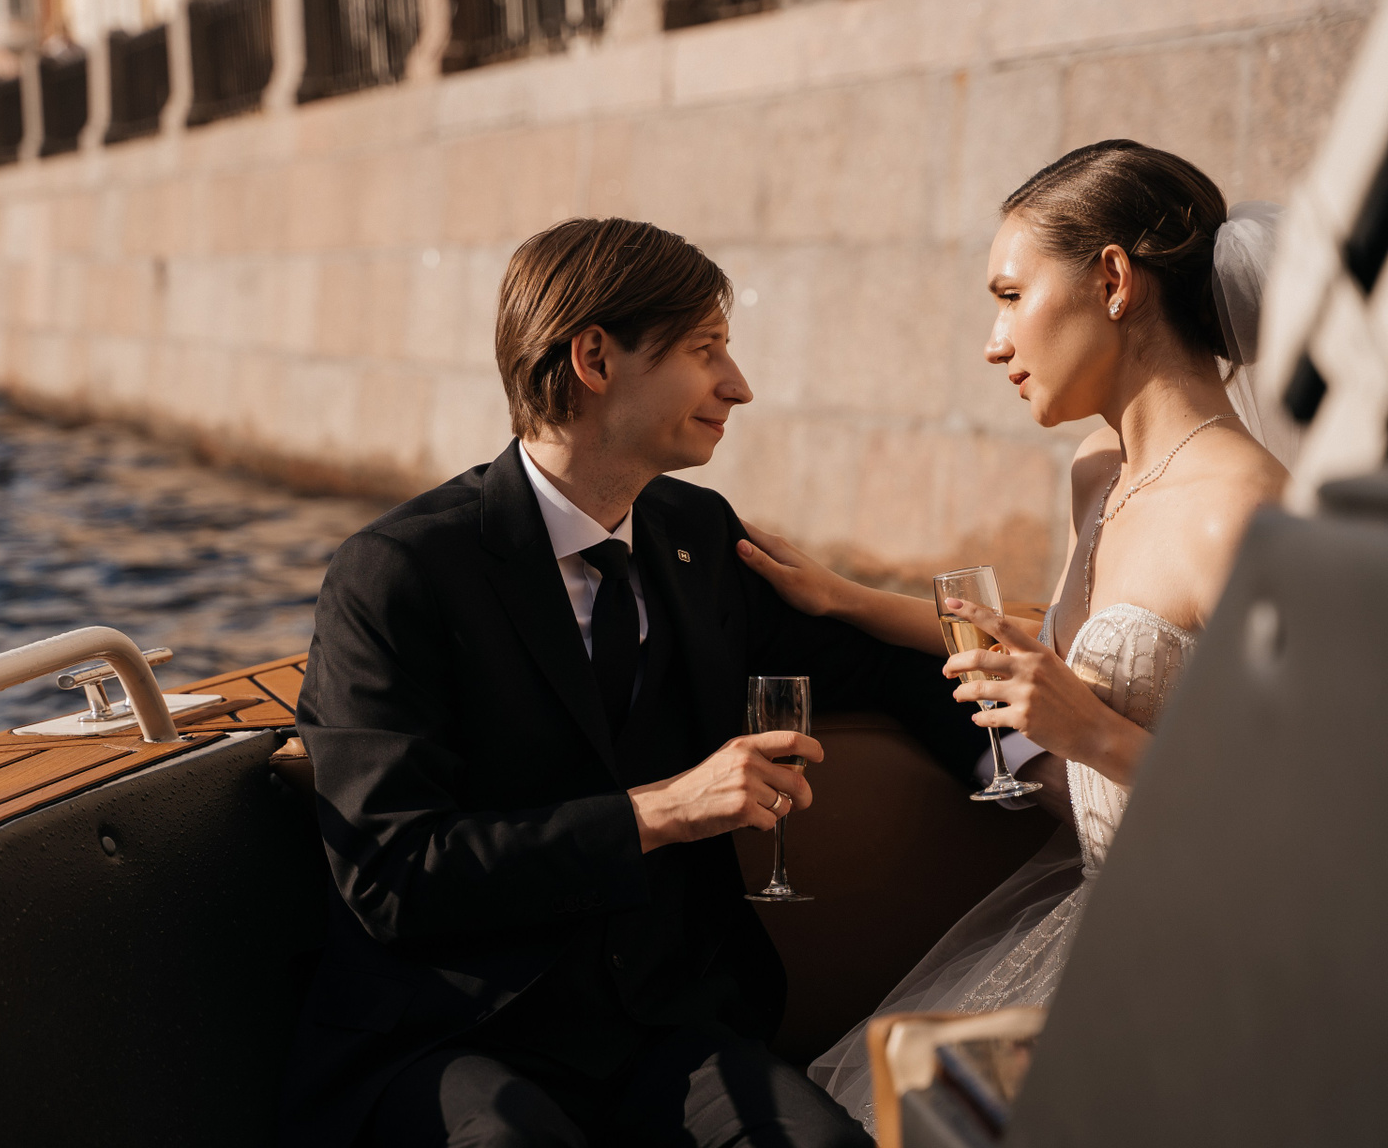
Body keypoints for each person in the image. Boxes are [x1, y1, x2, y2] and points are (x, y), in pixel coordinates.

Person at [281, 218, 987, 1148]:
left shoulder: (699, 536)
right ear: (594, 359)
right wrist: (661, 811)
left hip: (668, 1031)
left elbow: (876, 666)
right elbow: (393, 876)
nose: (739, 385)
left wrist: (1047, 777)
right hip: (456, 1034)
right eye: (706, 350)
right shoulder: (398, 573)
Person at [732, 140, 1290, 1131]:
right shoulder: (1099, 472)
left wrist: (1092, 734)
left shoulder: (1239, 512)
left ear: (1112, 280)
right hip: (1093, 917)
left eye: (1009, 295)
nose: (995, 343)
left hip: (1220, 959)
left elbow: (1313, 817)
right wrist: (846, 598)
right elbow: (1059, 637)